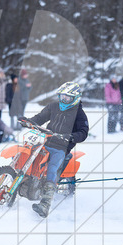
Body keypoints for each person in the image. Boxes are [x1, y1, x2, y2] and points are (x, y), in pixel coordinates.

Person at [25, 81, 89, 218]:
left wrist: (70, 137)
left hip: (61, 147)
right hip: (45, 141)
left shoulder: (79, 114)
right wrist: (29, 122)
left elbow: (83, 132)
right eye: (62, 96)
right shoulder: (53, 106)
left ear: (75, 98)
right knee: (27, 154)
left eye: (67, 97)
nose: (63, 99)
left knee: (52, 168)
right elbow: (40, 117)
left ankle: (45, 204)